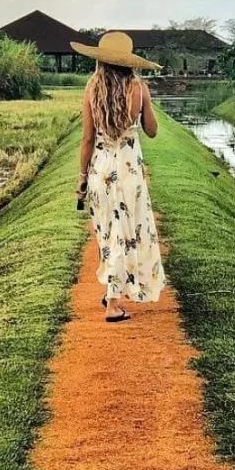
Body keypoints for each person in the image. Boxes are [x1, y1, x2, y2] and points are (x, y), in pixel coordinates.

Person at [72, 31, 165, 322]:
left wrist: (82, 177)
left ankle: (111, 292)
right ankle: (113, 303)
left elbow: (87, 139)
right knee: (126, 231)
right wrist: (146, 103)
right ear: (129, 62)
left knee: (107, 231)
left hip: (100, 170)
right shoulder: (139, 89)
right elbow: (152, 130)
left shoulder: (92, 87)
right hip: (127, 170)